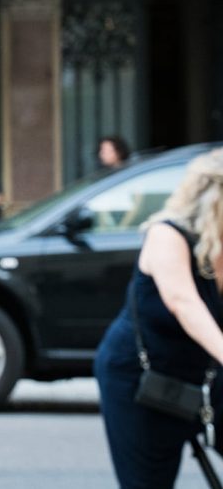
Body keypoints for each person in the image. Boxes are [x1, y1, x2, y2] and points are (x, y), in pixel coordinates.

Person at [93, 148, 223, 488]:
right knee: (149, 482)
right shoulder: (168, 235)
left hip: (202, 375)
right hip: (140, 378)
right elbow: (184, 304)